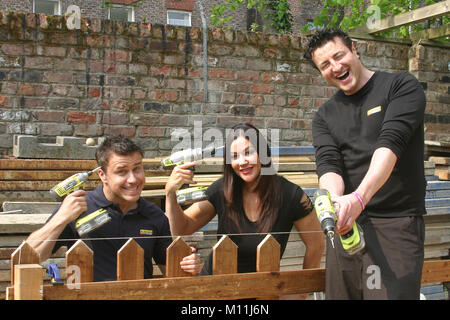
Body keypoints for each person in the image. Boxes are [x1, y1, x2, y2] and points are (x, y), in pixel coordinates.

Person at [304, 29, 427, 299]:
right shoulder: (324, 115)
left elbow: (390, 144)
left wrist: (359, 197)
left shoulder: (401, 87)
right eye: (325, 65)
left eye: (339, 56)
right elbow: (329, 165)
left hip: (396, 224)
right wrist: (337, 203)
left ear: (354, 49)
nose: (335, 67)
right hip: (348, 226)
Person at [164, 123, 324, 292]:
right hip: (217, 288)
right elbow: (182, 228)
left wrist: (302, 292)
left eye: (248, 152)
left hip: (262, 292)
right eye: (234, 156)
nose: (242, 162)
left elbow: (316, 244)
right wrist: (170, 193)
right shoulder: (222, 190)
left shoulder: (291, 195)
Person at [26, 135, 202, 281]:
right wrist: (61, 218)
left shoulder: (154, 215)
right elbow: (30, 257)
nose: (133, 179)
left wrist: (189, 266)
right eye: (122, 171)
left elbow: (171, 274)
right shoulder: (78, 207)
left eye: (137, 169)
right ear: (102, 175)